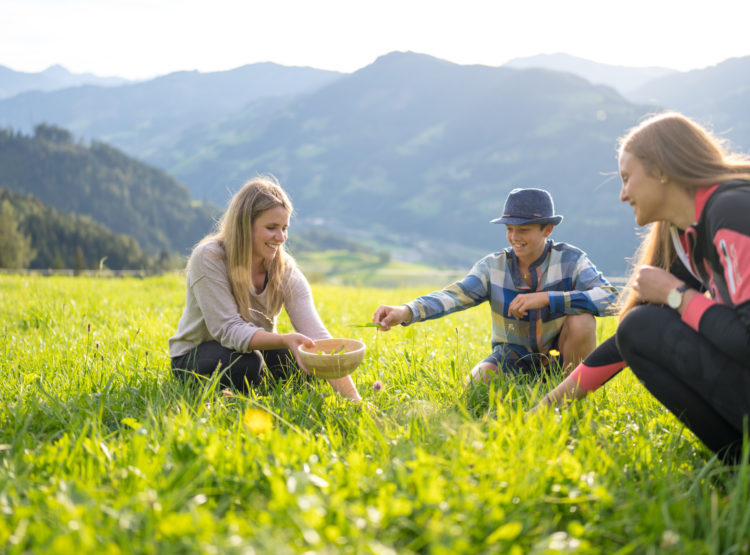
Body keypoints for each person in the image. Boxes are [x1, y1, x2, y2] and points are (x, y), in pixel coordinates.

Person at [538, 111, 750, 460]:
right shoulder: (687, 234)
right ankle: (738, 462)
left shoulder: (733, 211)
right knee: (640, 326)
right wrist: (546, 408)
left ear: (662, 171)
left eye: (626, 178)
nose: (622, 195)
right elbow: (634, 337)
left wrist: (677, 296)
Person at [372, 188, 618, 382]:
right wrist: (405, 311)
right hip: (512, 358)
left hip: (559, 357)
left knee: (582, 321)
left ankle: (568, 394)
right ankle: (533, 387)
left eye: (524, 230)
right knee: (475, 386)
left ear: (548, 229)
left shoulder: (571, 260)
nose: (514, 237)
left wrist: (548, 298)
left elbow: (611, 299)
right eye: (510, 229)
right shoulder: (492, 267)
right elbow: (453, 296)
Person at [169, 176, 360, 401]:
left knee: (303, 359)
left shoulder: (284, 268)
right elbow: (228, 330)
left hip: (252, 350)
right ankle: (246, 388)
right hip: (195, 354)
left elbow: (317, 337)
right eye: (271, 228)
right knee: (246, 365)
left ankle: (263, 388)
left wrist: (354, 400)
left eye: (284, 228)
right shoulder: (210, 257)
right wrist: (283, 339)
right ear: (244, 225)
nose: (280, 238)